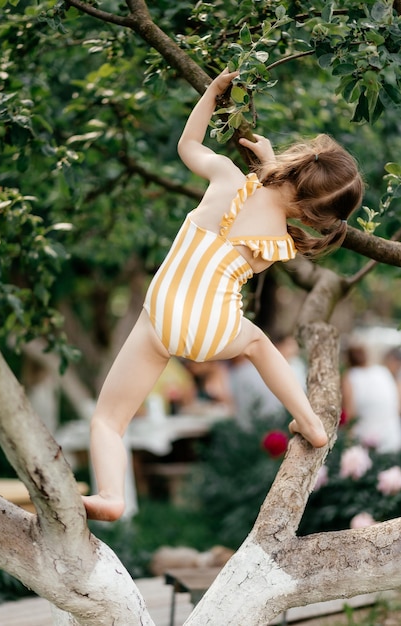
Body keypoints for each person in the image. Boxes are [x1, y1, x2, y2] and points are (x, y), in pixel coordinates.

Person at [82, 68, 363, 521]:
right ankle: (310, 422)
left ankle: (112, 497)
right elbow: (280, 202)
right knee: (258, 343)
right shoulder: (279, 244)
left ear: (297, 163)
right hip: (213, 332)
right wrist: (273, 169)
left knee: (108, 421)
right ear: (316, 218)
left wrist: (213, 94)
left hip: (162, 314)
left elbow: (187, 147)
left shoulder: (227, 179)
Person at [341, 343, 401, 453]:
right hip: (393, 437)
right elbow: (397, 405)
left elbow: (350, 413)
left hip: (366, 441)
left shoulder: (350, 377)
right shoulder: (383, 371)